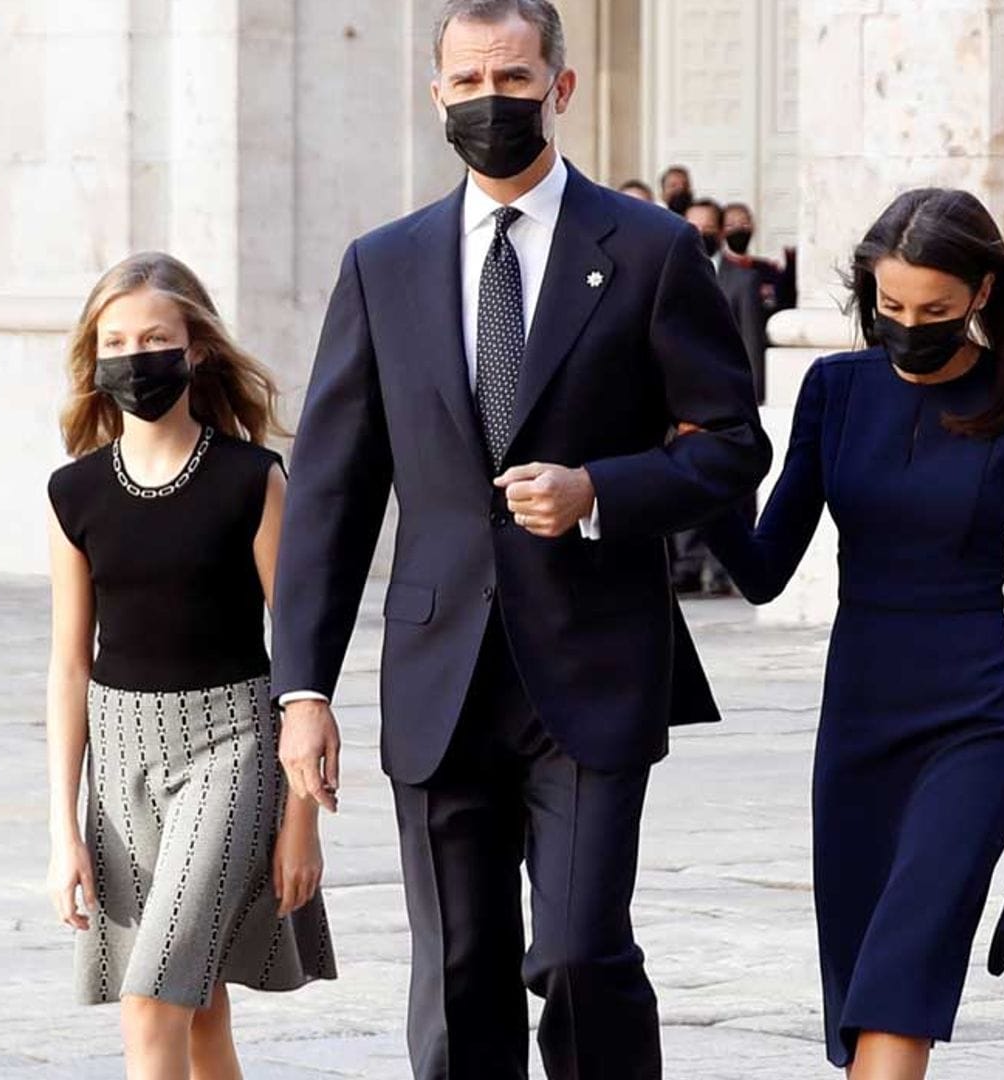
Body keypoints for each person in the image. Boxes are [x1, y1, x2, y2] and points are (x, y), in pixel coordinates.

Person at [269, 3, 769, 1077]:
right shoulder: (383, 264)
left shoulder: (650, 250)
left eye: (514, 79)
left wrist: (599, 488)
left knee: (583, 953)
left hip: (594, 666)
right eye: (469, 82)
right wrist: (302, 689)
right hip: (438, 672)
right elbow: (330, 491)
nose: (491, 101)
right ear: (435, 92)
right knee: (458, 973)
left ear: (561, 87)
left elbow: (732, 446)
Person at [700, 188, 1004, 1078]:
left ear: (981, 295)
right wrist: (701, 464)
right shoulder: (834, 391)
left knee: (904, 973)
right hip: (860, 725)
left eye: (936, 312)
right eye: (893, 307)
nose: (910, 328)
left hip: (979, 726)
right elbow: (761, 571)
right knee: (860, 983)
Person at [44, 251, 336, 1077]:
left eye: (156, 338)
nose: (136, 358)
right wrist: (62, 829)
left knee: (151, 1001)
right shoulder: (75, 493)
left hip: (233, 749)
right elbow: (69, 667)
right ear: (96, 359)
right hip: (121, 760)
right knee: (199, 1008)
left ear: (195, 348)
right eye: (118, 341)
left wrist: (302, 819)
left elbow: (301, 651)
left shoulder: (252, 480)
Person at [718, 201, 792, 402]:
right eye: (731, 225)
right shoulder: (719, 273)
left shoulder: (767, 269)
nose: (739, 229)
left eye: (744, 223)